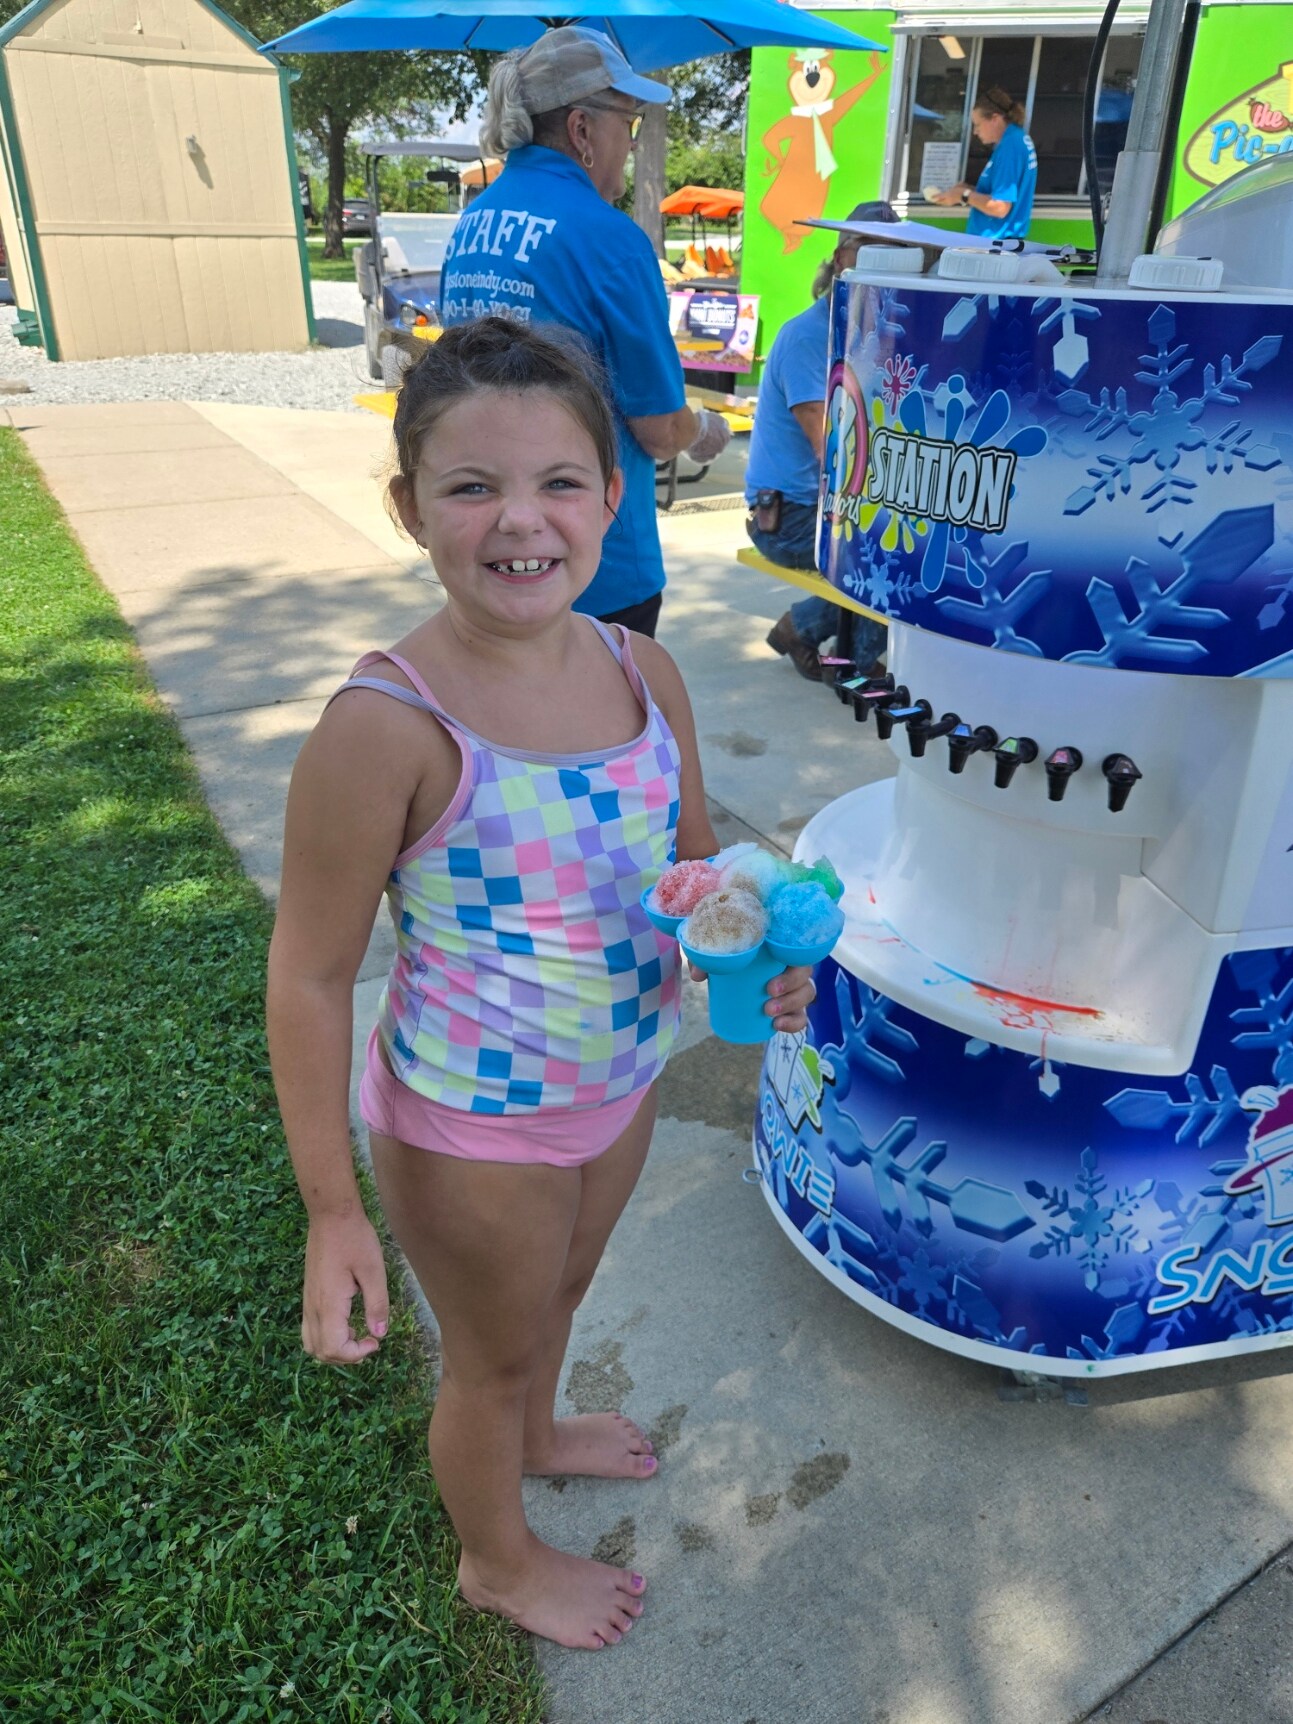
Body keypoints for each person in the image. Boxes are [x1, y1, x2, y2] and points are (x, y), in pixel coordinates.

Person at [265, 318, 815, 1653]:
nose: (522, 521)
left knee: (563, 1296)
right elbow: (310, 975)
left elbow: (693, 876)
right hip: (474, 1122)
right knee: (489, 1351)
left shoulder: (645, 673)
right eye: (471, 487)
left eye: (560, 482)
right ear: (410, 508)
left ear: (614, 496)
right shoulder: (386, 726)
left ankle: (545, 1428)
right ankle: (496, 1562)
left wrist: (753, 952)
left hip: (620, 1078)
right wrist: (331, 1213)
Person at [437, 26, 731, 639]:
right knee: (598, 729)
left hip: (488, 543)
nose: (629, 142)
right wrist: (703, 429)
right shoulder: (608, 238)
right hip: (594, 561)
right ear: (581, 130)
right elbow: (656, 426)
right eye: (627, 123)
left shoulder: (474, 223)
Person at [748, 203, 893, 683]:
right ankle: (838, 652)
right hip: (790, 518)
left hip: (817, 508)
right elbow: (831, 452)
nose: (879, 265)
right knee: (889, 550)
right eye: (868, 251)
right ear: (841, 258)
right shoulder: (812, 338)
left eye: (893, 254)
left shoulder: (861, 334)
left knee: (892, 534)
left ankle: (822, 639)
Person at [931, 86, 1037, 242]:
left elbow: (1000, 207)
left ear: (995, 119)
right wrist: (968, 190)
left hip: (994, 245)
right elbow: (999, 193)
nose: (975, 131)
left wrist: (963, 195)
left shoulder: (1010, 147)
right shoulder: (1017, 138)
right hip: (999, 242)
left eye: (977, 124)